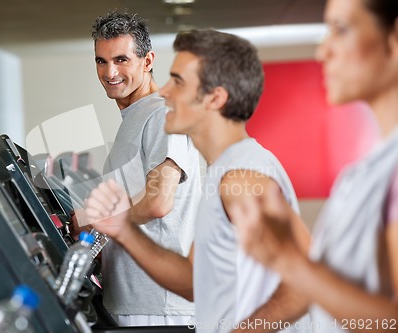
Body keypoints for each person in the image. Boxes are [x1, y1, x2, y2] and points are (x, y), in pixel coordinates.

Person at [84, 29, 311, 333]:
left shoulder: (243, 174)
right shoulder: (224, 170)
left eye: (178, 82)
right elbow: (193, 281)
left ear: (214, 97)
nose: (164, 92)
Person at [230, 0, 398, 332]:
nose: (323, 51)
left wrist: (289, 262)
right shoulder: (363, 172)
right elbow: (325, 294)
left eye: (340, 30)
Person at [85, 11, 202, 326]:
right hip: (135, 301)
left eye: (121, 60)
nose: (110, 72)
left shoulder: (163, 114)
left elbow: (158, 202)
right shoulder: (137, 117)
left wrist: (97, 224)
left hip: (156, 306)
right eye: (101, 61)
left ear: (147, 60)